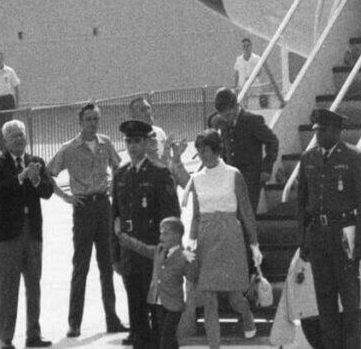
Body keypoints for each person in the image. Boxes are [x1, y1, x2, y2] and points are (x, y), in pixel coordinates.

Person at [46, 102, 127, 338]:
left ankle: (112, 318)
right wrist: (65, 197)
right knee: (80, 266)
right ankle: (74, 322)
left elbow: (119, 167)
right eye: (88, 119)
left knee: (107, 264)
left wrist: (113, 185)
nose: (92, 124)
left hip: (103, 206)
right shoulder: (69, 148)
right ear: (80, 122)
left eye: (96, 119)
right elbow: (49, 172)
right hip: (83, 209)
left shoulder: (105, 143)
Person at [297, 108, 361, 349]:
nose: (319, 135)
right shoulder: (308, 159)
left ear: (337, 131)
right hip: (319, 237)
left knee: (350, 303)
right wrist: (303, 240)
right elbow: (301, 203)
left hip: (344, 235)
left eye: (324, 131)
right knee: (325, 302)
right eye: (317, 131)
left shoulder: (354, 158)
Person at [186, 129, 261, 348]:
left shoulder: (233, 174)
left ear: (217, 150)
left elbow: (246, 211)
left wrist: (254, 244)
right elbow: (196, 215)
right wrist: (191, 243)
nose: (203, 155)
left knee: (234, 297)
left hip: (230, 235)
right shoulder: (197, 179)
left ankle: (246, 314)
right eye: (199, 150)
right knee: (208, 296)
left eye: (207, 150)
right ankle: (214, 345)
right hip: (206, 237)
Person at [112, 119, 181, 349]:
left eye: (137, 141)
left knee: (159, 314)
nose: (132, 146)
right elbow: (116, 218)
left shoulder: (159, 174)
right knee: (137, 315)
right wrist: (116, 254)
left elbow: (171, 217)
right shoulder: (121, 175)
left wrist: (170, 254)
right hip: (130, 255)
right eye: (128, 141)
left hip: (154, 255)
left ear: (146, 142)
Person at [0, 120, 54, 349]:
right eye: (14, 136)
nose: (19, 139)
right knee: (8, 288)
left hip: (33, 231)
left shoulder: (36, 162)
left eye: (22, 135)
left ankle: (33, 334)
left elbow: (47, 192)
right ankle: (6, 338)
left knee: (33, 285)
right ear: (5, 141)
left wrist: (35, 178)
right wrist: (22, 176)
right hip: (9, 236)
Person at [115, 216, 198, 349]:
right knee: (168, 340)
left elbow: (192, 277)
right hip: (158, 302)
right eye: (160, 232)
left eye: (165, 233)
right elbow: (140, 247)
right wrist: (122, 237)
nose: (161, 236)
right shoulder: (159, 250)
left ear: (177, 236)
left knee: (165, 339)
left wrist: (192, 259)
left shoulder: (183, 256)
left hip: (174, 305)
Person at [210, 87, 279, 212]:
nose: (226, 117)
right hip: (230, 177)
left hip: (251, 178)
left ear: (235, 107)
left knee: (247, 215)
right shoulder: (222, 123)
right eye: (222, 114)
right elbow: (225, 148)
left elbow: (272, 142)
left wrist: (266, 168)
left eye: (228, 114)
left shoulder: (251, 121)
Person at [0, 51, 21, 153]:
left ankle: (10, 147)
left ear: (3, 59)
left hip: (7, 100)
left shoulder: (10, 71)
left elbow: (16, 87)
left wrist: (17, 102)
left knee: (8, 125)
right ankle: (3, 149)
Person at [232, 37, 268, 109]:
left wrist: (251, 78)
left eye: (247, 45)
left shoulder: (256, 58)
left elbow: (259, 71)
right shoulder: (238, 59)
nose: (246, 48)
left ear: (251, 46)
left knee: (255, 107)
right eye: (244, 46)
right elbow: (236, 73)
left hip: (254, 86)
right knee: (243, 107)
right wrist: (236, 87)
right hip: (242, 87)